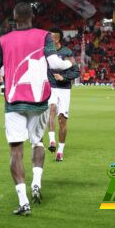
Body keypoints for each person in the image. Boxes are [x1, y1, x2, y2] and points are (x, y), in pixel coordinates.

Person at [0, 3, 75, 215]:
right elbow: (54, 62)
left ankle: (23, 201)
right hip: (39, 100)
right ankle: (36, 181)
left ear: (14, 17)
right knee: (37, 142)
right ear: (33, 16)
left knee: (15, 150)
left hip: (14, 101)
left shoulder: (4, 40)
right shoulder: (44, 35)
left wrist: (3, 71)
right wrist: (68, 64)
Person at [46, 27, 80, 161]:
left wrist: (64, 78)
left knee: (62, 120)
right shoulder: (46, 52)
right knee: (52, 109)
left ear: (57, 38)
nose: (48, 40)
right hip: (51, 87)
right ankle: (51, 141)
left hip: (64, 89)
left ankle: (60, 151)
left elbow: (77, 72)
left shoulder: (67, 52)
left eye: (51, 38)